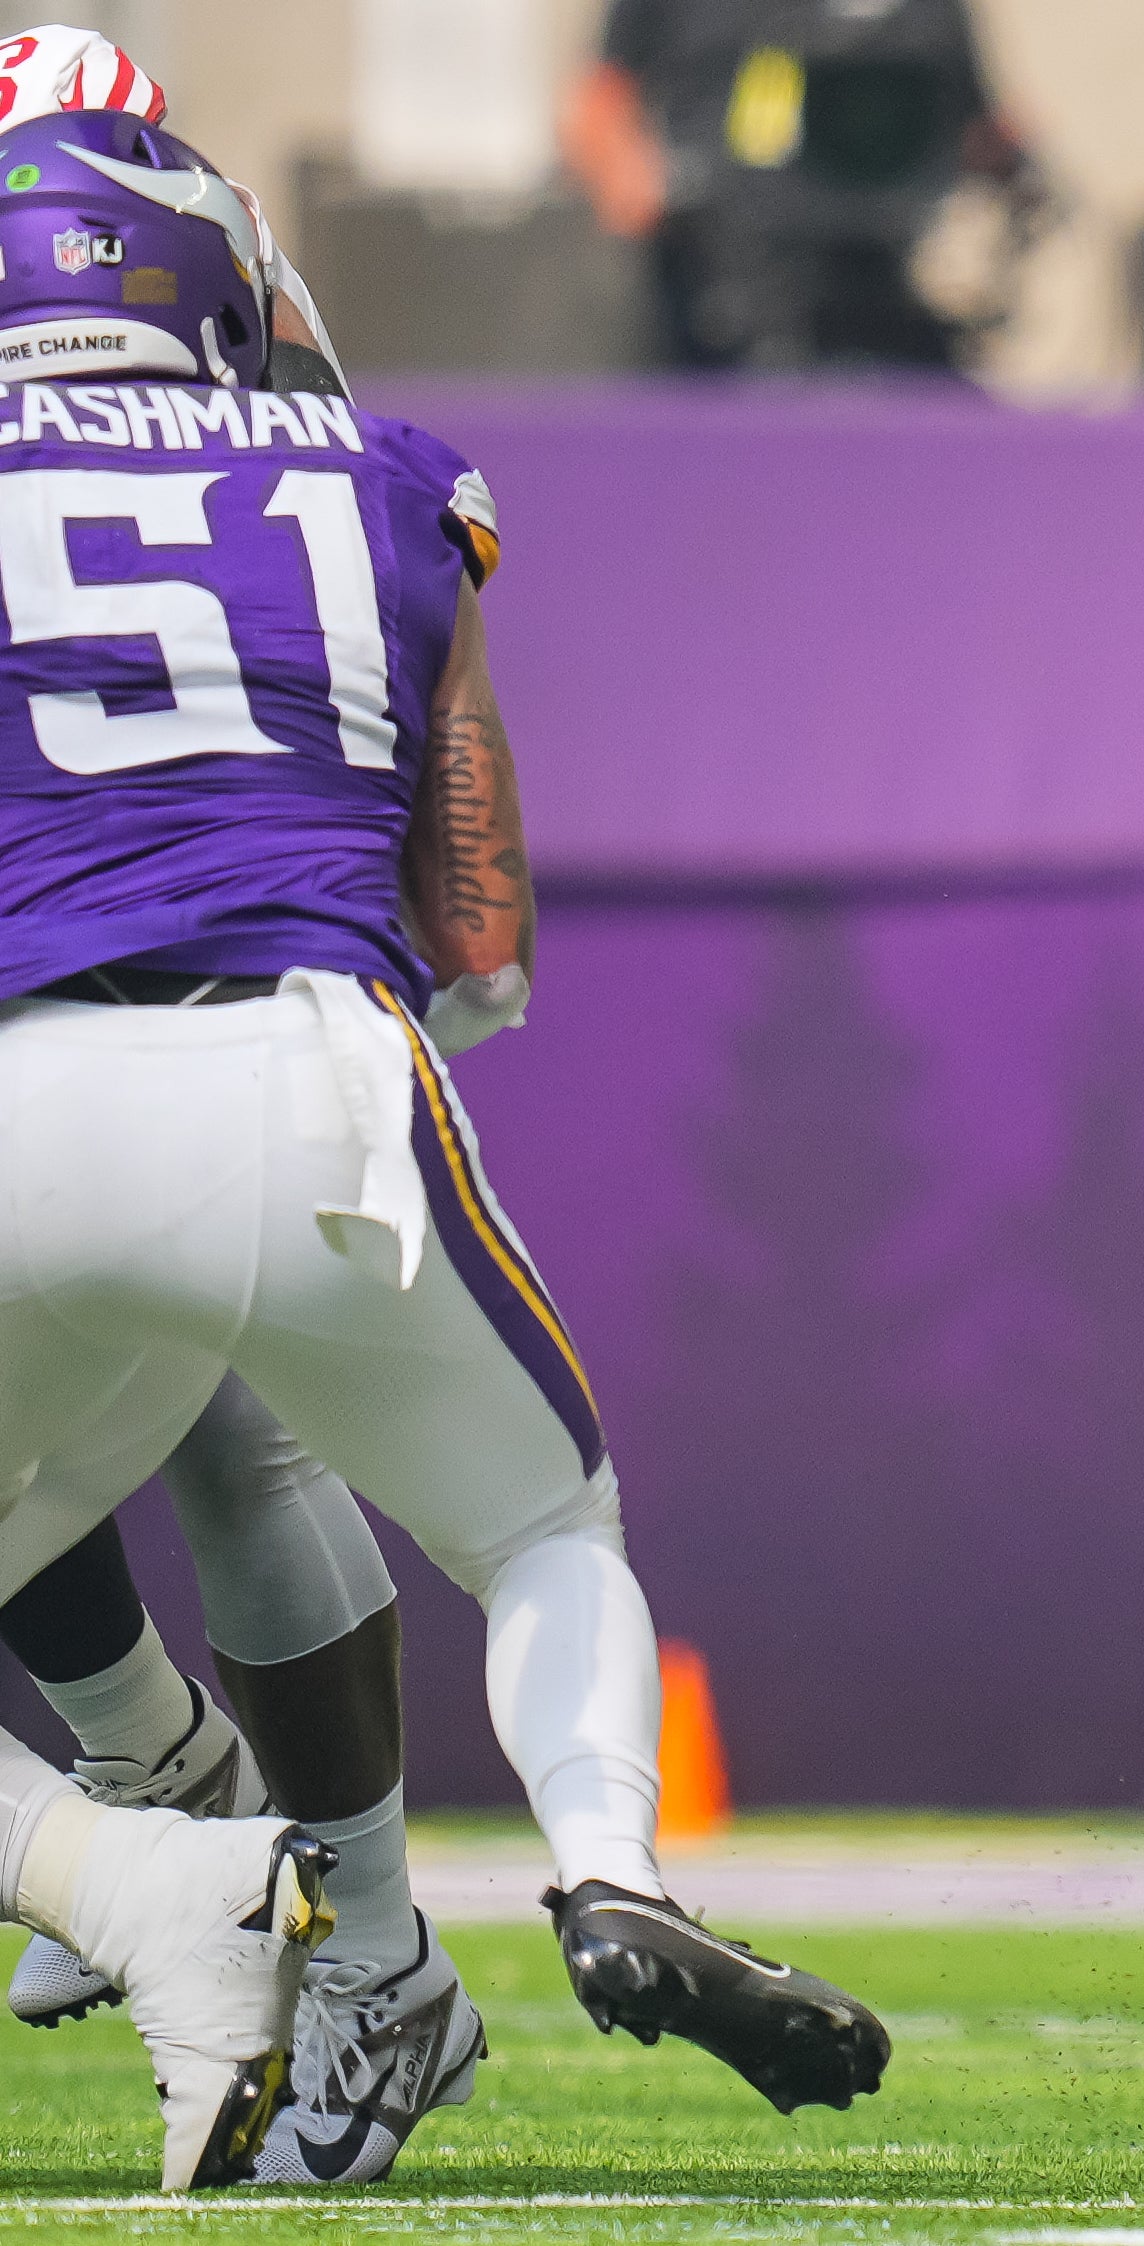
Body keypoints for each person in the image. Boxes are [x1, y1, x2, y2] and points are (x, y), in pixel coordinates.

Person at [0, 101, 893, 2158]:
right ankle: (606, 1870)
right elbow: (474, 907)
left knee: (184, 1488)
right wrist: (455, 998)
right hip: (314, 1076)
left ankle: (143, 1866)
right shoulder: (377, 471)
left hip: (30, 1090)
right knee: (540, 1527)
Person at [0, 21, 499, 2188]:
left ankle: (172, 1846)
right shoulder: (234, 317)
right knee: (214, 1403)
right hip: (260, 1009)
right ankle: (280, 1882)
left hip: (101, 971)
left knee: (199, 1401)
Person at [561, 0, 1032, 372]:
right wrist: (638, 185)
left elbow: (980, 126)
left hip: (896, 280)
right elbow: (600, 98)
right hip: (721, 284)